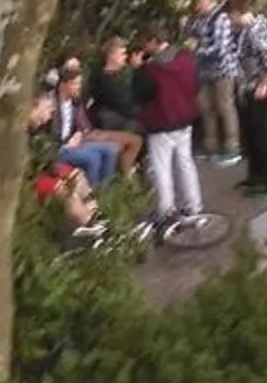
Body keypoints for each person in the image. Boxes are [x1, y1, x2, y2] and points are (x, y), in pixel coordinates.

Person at [135, 24, 204, 234]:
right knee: (185, 163)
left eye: (146, 43)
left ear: (154, 41)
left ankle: (166, 210)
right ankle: (194, 206)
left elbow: (141, 93)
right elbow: (197, 84)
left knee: (162, 168)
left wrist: (138, 69)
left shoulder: (152, 69)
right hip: (185, 119)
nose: (144, 47)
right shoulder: (187, 58)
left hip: (161, 122)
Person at [228, 0, 267, 197]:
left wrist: (264, 82)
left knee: (262, 133)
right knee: (251, 133)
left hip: (259, 87)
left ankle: (266, 179)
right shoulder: (243, 30)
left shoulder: (256, 30)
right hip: (247, 86)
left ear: (237, 13)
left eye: (230, 16)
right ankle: (254, 174)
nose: (230, 21)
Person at [54, 54, 140, 182]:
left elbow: (81, 125)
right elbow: (53, 132)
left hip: (78, 139)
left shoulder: (75, 102)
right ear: (63, 85)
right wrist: (66, 142)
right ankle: (93, 188)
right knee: (93, 158)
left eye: (79, 84)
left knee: (112, 150)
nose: (78, 87)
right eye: (75, 84)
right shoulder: (53, 105)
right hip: (61, 147)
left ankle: (105, 188)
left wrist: (78, 134)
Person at [183, 0, 241, 164]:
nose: (196, 6)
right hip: (205, 70)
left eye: (199, 3)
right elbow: (191, 33)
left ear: (208, 0)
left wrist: (197, 51)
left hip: (223, 69)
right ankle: (210, 145)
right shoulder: (200, 18)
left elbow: (219, 49)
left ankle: (232, 146)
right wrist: (187, 25)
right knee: (205, 106)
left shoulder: (221, 18)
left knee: (224, 106)